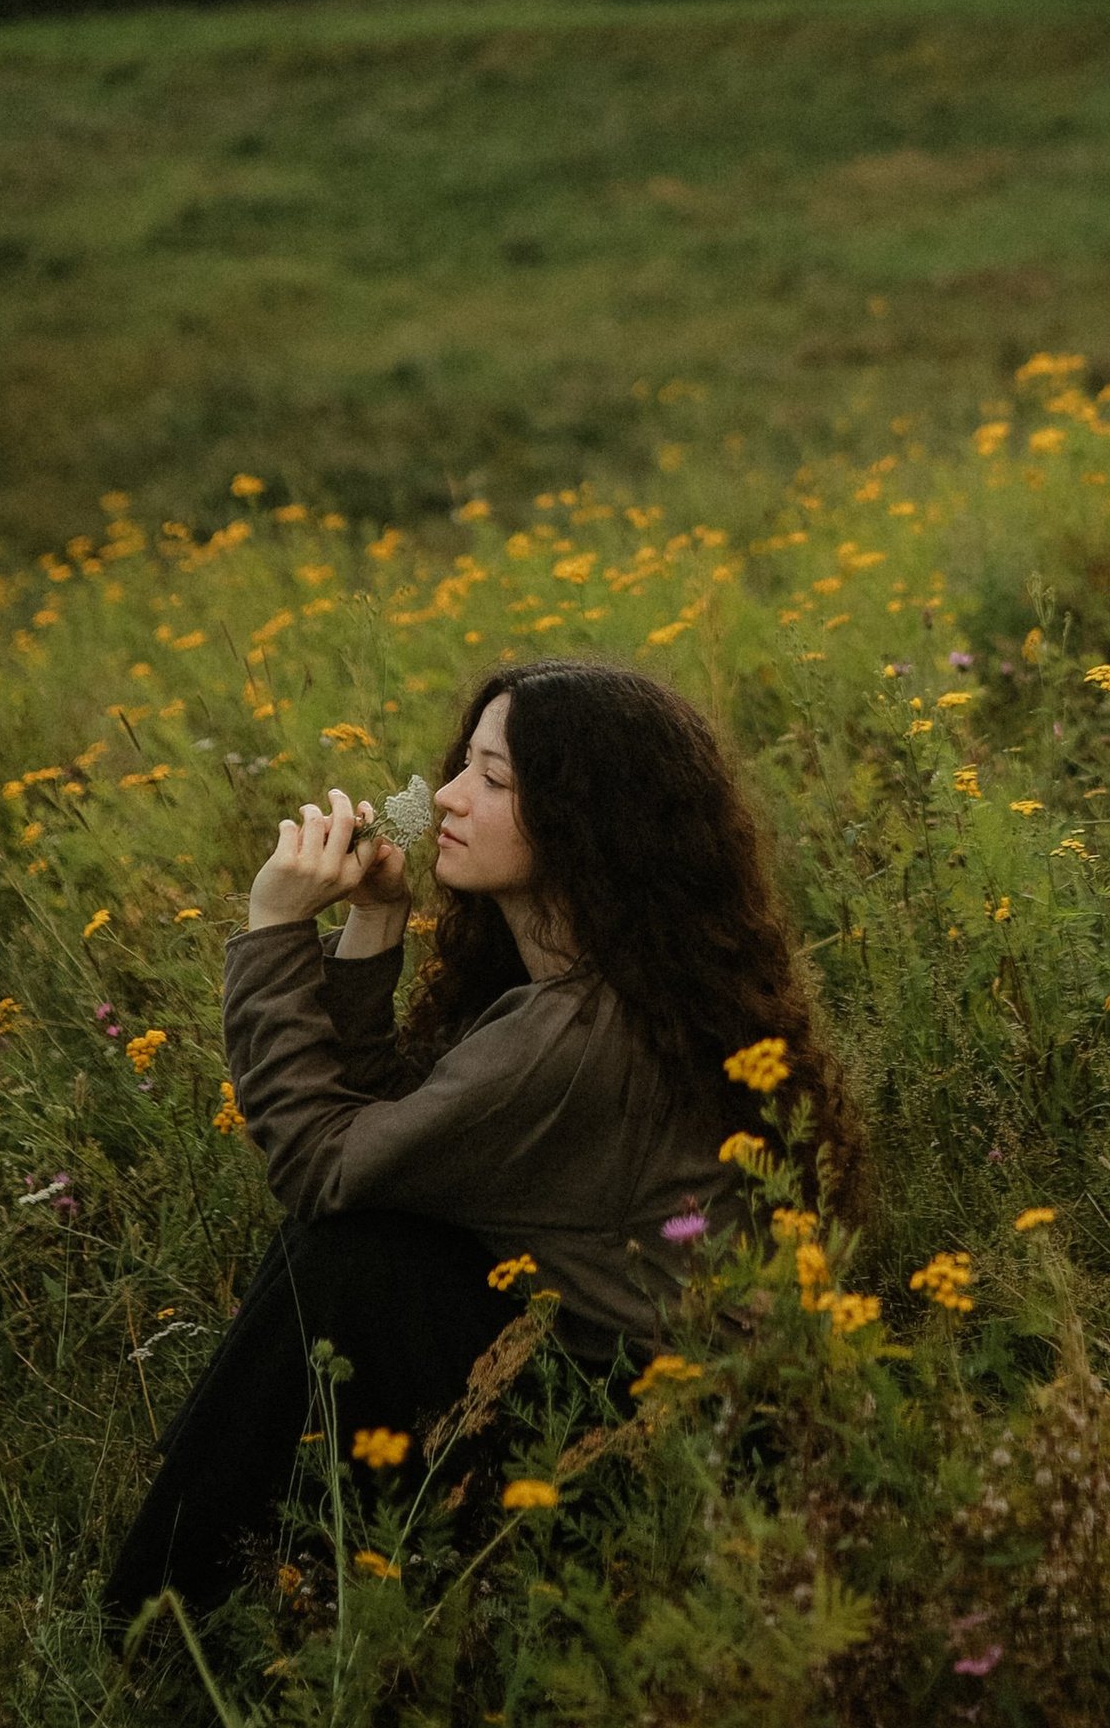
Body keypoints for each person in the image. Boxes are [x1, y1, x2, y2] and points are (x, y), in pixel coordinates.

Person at [103, 658, 861, 1627]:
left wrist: (272, 929)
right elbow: (397, 1141)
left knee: (343, 1254)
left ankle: (159, 1615)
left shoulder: (577, 1036)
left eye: (495, 781)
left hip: (649, 1462)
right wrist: (377, 920)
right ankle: (225, 1573)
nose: (449, 797)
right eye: (464, 765)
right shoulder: (602, 984)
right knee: (373, 1247)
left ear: (585, 823)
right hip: (619, 1397)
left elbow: (323, 1166)